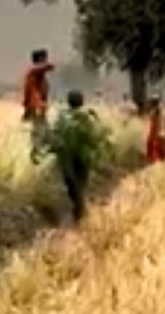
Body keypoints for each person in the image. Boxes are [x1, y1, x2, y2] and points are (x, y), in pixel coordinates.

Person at [35, 90, 111, 224]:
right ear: (81, 101)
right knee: (81, 184)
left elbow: (53, 135)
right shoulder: (88, 116)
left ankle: (78, 208)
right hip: (83, 155)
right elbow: (94, 136)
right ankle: (79, 209)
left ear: (69, 101)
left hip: (66, 156)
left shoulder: (62, 117)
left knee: (71, 184)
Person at [22, 48, 55, 149]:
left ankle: (40, 151)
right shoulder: (33, 71)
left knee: (42, 130)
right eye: (44, 58)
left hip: (38, 106)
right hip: (36, 106)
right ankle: (37, 152)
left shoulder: (38, 75)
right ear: (40, 59)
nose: (46, 60)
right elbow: (50, 66)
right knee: (39, 131)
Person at [146, 97, 165, 164]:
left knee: (155, 146)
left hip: (157, 132)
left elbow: (154, 122)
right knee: (159, 146)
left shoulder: (155, 111)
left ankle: (156, 160)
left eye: (151, 103)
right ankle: (160, 159)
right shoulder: (160, 110)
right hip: (160, 132)